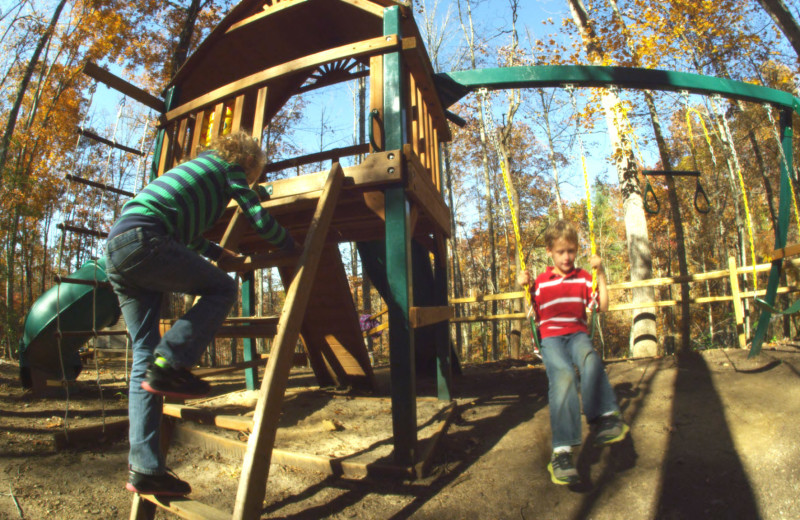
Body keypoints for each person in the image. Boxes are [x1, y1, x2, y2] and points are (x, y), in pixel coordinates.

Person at [105, 130, 295, 496]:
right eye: (255, 173)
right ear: (249, 161)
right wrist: (289, 244)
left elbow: (185, 234)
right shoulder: (230, 167)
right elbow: (254, 213)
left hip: (118, 248)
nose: (253, 179)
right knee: (222, 287)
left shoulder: (196, 173)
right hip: (145, 240)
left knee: (143, 358)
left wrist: (218, 254)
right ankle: (171, 363)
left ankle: (145, 470)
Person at [517, 219, 628, 486]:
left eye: (571, 251)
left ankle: (604, 419)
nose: (567, 257)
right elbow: (530, 314)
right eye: (561, 252)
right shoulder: (542, 282)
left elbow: (602, 307)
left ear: (576, 250)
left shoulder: (583, 278)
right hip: (552, 338)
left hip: (577, 334)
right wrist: (522, 287)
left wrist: (600, 273)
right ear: (550, 252)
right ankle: (562, 454)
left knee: (590, 360)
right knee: (564, 375)